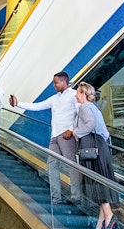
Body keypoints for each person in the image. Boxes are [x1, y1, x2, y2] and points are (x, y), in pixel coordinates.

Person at [9, 71, 80, 205]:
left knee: (72, 166)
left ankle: (76, 196)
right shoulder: (54, 98)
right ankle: (56, 198)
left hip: (67, 136)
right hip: (54, 136)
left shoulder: (74, 95)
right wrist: (18, 104)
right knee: (51, 165)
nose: (54, 85)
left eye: (56, 83)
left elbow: (80, 113)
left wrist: (71, 129)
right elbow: (37, 106)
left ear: (64, 81)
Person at [74, 82, 116, 229]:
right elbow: (105, 132)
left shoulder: (84, 107)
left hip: (92, 149)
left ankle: (109, 216)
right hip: (101, 147)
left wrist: (76, 132)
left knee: (96, 182)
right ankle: (100, 224)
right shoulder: (94, 108)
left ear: (84, 94)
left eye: (78, 93)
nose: (76, 95)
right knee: (101, 181)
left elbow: (90, 125)